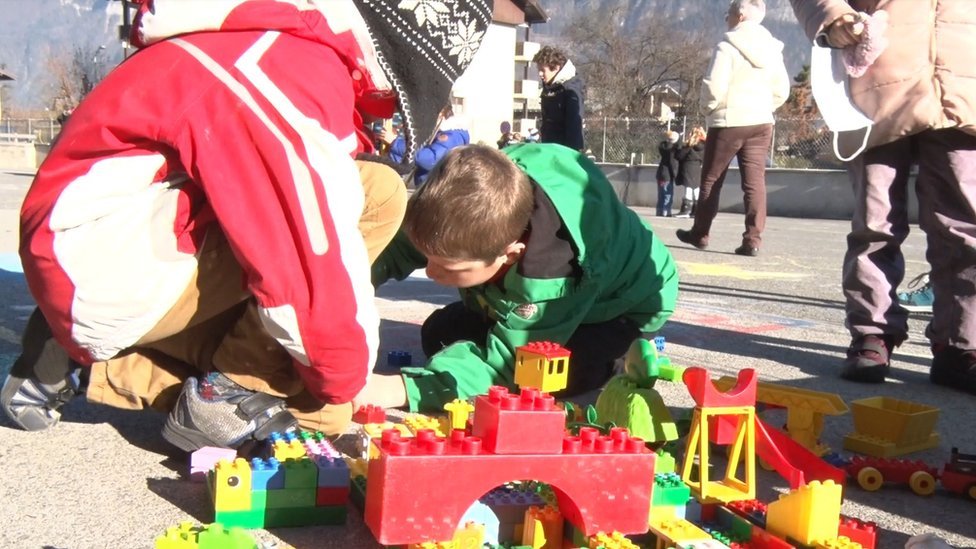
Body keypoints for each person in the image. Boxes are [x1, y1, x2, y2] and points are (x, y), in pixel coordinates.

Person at [0, 0, 494, 450]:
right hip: (102, 263)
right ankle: (227, 393)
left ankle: (92, 364)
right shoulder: (285, 68)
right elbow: (304, 253)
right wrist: (344, 374)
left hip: (109, 254)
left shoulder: (281, 45)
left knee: (323, 412)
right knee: (377, 196)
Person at [357, 143, 679, 412]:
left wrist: (394, 389)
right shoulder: (479, 190)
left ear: (509, 255)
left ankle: (617, 355)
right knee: (438, 334)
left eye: (447, 268)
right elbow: (396, 247)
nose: (429, 272)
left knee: (542, 381)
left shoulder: (552, 270)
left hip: (623, 304)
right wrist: (348, 287)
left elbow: (507, 370)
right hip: (535, 290)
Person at [790, 0, 976, 392]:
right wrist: (831, 15)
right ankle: (872, 332)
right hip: (876, 83)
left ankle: (961, 345)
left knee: (964, 230)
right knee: (875, 223)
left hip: (963, 82)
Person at [676, 0, 790, 257]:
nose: (726, 18)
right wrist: (763, 107)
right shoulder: (774, 49)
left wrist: (710, 109)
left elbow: (713, 86)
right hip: (761, 121)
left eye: (728, 14)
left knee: (711, 180)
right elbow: (782, 90)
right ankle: (753, 240)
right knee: (755, 183)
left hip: (728, 120)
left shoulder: (727, 46)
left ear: (739, 15)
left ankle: (700, 233)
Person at [388, 105, 470, 186]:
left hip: (437, 190)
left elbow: (431, 159)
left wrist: (396, 143)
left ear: (440, 113)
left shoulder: (451, 135)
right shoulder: (441, 132)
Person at [533, 46, 586, 151]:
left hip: (563, 152)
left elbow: (575, 126)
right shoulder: (550, 89)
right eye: (539, 70)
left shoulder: (569, 90)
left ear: (556, 68)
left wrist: (571, 155)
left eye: (543, 70)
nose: (540, 74)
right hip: (551, 148)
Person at [675, 126, 707, 218]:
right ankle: (697, 211)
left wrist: (681, 145)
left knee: (688, 189)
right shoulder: (704, 146)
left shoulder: (689, 145)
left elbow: (679, 156)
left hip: (688, 168)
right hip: (698, 168)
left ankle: (686, 210)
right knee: (696, 189)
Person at [656, 131, 680, 217]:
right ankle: (666, 211)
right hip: (667, 175)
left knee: (661, 194)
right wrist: (675, 174)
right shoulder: (672, 151)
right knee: (668, 194)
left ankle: (659, 211)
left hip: (660, 173)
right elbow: (672, 164)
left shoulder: (663, 147)